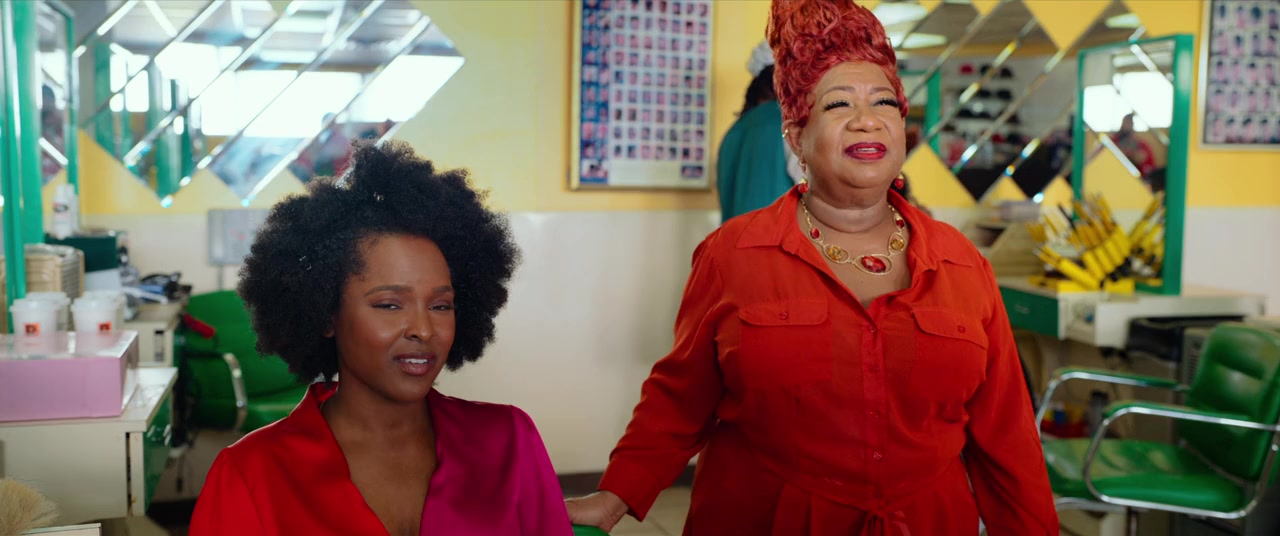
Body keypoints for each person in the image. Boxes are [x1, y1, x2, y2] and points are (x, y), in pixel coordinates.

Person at [564, 0, 1058, 534]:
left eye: (885, 102)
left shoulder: (962, 264)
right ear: (797, 137)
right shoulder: (733, 253)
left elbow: (1007, 434)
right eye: (839, 103)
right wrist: (614, 497)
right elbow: (679, 399)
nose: (866, 119)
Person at [189, 141, 571, 535]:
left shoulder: (509, 441)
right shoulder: (252, 474)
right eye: (389, 305)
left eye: (441, 305)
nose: (423, 329)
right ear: (326, 313)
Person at [715, 40, 800, 224]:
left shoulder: (733, 132)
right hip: (777, 240)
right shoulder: (790, 125)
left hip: (731, 241)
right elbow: (814, 191)